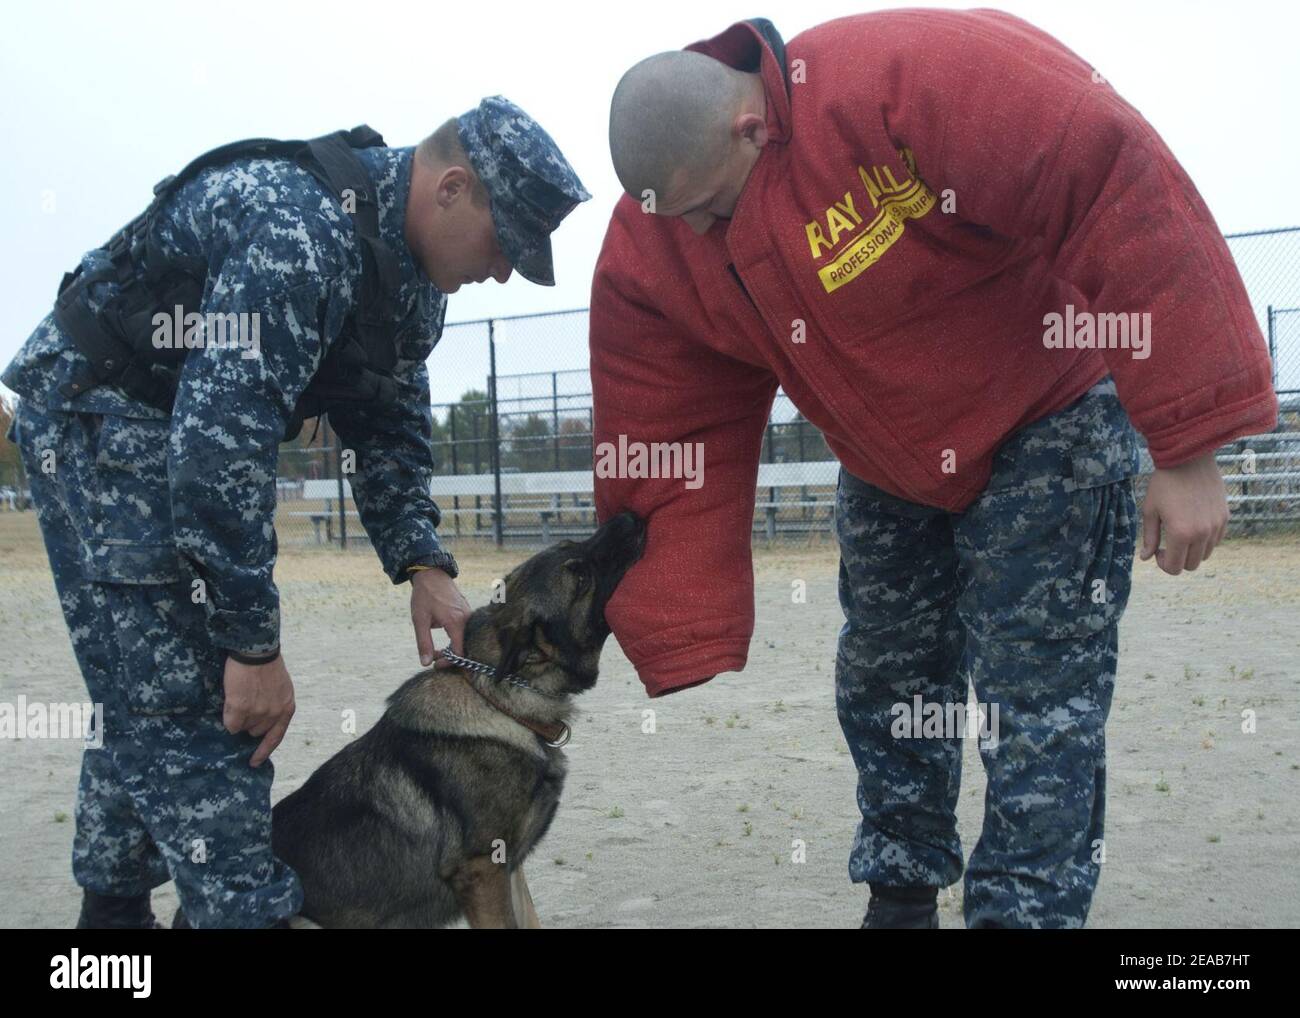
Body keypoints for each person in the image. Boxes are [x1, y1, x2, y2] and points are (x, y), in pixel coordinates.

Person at [591, 11, 1278, 928]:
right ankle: (902, 895)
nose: (706, 234)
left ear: (749, 126)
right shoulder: (671, 215)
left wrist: (1189, 445)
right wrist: (669, 608)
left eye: (714, 208)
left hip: (1048, 418)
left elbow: (1109, 173)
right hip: (885, 458)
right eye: (683, 220)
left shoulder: (908, 77)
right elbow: (660, 385)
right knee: (886, 678)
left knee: (1034, 698)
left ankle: (1022, 916)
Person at [3, 96, 589, 929]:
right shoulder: (297, 233)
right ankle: (228, 915)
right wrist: (253, 644)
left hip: (173, 426)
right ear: (453, 188)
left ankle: (110, 926)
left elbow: (387, 424)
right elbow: (217, 450)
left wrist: (424, 563)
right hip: (101, 417)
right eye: (506, 246)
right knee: (203, 708)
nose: (502, 271)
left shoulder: (412, 276)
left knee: (153, 695)